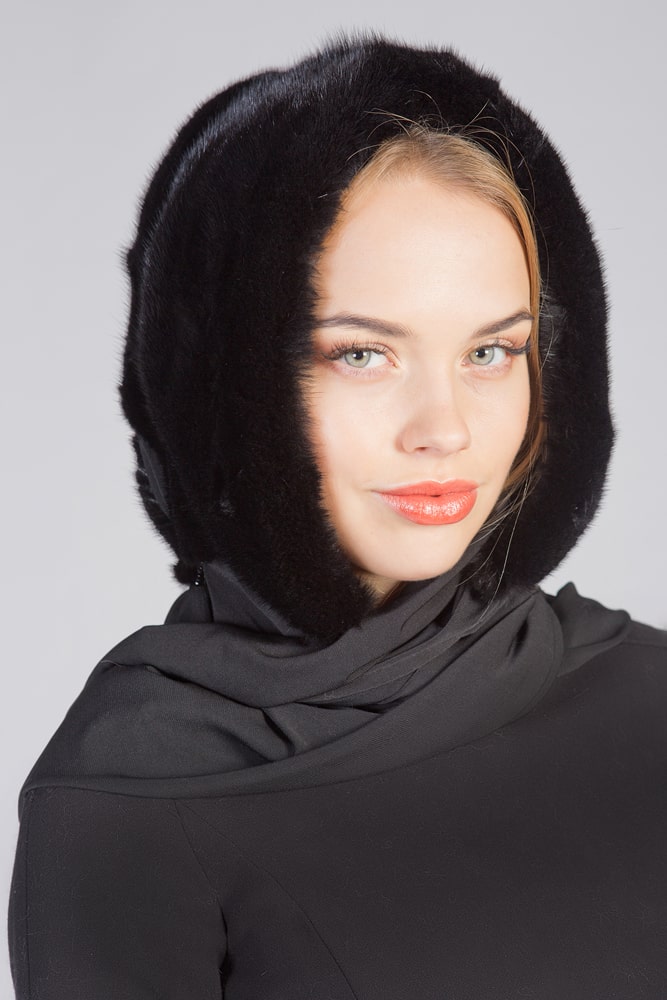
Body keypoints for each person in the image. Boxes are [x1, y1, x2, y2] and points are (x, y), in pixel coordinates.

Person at [8, 35, 667, 999]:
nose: (444, 429)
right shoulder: (124, 805)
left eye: (490, 353)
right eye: (361, 354)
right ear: (223, 382)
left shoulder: (649, 692)